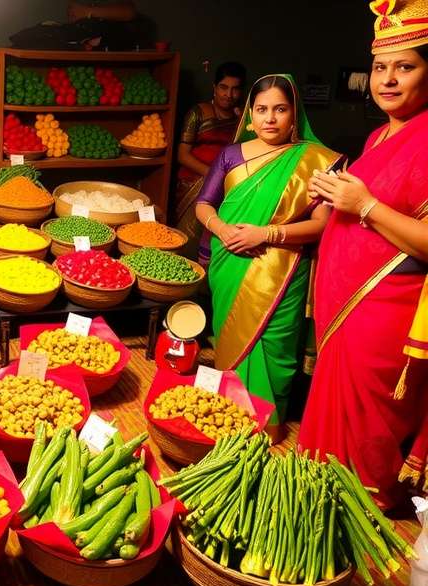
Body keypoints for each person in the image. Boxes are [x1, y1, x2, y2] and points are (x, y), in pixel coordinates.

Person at [299, 0, 428, 510]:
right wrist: (332, 195)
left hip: (384, 313)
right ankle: (321, 501)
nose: (388, 79)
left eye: (405, 67)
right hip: (343, 309)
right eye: (380, 67)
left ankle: (366, 510)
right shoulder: (379, 135)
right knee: (332, 421)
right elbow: (358, 212)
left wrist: (365, 204)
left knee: (370, 422)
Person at [195, 74, 341, 441]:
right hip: (229, 260)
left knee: (275, 347)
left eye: (280, 109)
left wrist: (268, 234)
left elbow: (322, 225)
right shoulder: (230, 154)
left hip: (284, 269)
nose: (270, 118)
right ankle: (226, 418)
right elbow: (203, 204)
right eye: (261, 110)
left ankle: (266, 425)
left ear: (295, 115)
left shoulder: (316, 160)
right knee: (228, 335)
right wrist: (221, 229)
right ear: (249, 114)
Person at [173, 62, 246, 262]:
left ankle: (206, 283)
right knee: (189, 238)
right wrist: (213, 175)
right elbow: (182, 155)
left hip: (228, 187)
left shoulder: (244, 119)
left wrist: (244, 123)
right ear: (214, 87)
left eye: (235, 89)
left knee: (217, 237)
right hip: (193, 185)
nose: (228, 94)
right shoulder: (198, 112)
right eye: (223, 87)